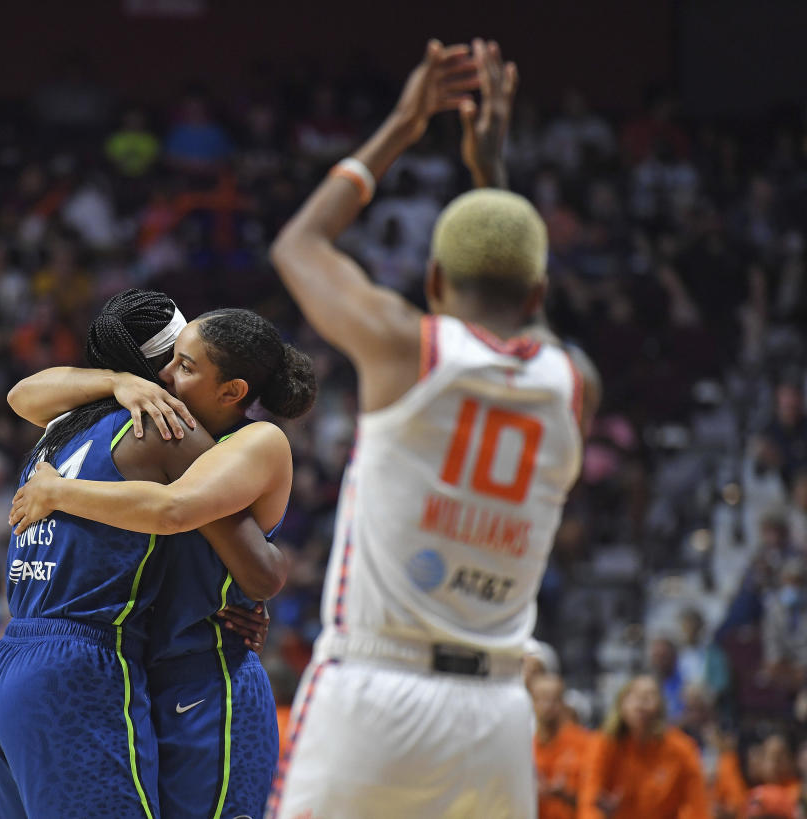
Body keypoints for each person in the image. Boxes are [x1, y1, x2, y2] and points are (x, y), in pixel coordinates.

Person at [265, 38, 600, 818]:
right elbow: (534, 321)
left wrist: (403, 125)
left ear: (435, 280)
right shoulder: (575, 383)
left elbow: (298, 244)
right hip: (495, 714)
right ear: (538, 288)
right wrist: (493, 178)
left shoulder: (406, 346)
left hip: (375, 689)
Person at [0, 292, 298, 818]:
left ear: (231, 387)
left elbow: (203, 530)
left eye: (187, 364)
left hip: (193, 670)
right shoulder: (160, 427)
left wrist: (57, 491)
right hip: (122, 669)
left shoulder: (69, 428)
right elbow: (255, 565)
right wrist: (117, 382)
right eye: (171, 360)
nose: (171, 376)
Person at [578, 675, 710, 819]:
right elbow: (588, 801)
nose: (641, 701)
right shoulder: (603, 744)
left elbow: (697, 806)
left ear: (660, 706)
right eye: (634, 695)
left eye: (649, 695)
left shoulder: (682, 749)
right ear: (621, 704)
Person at [531, 672, 591, 819]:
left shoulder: (584, 742)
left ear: (563, 703)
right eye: (541, 699)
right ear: (532, 702)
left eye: (554, 700)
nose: (548, 706)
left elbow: (594, 797)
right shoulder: (525, 746)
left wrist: (564, 794)